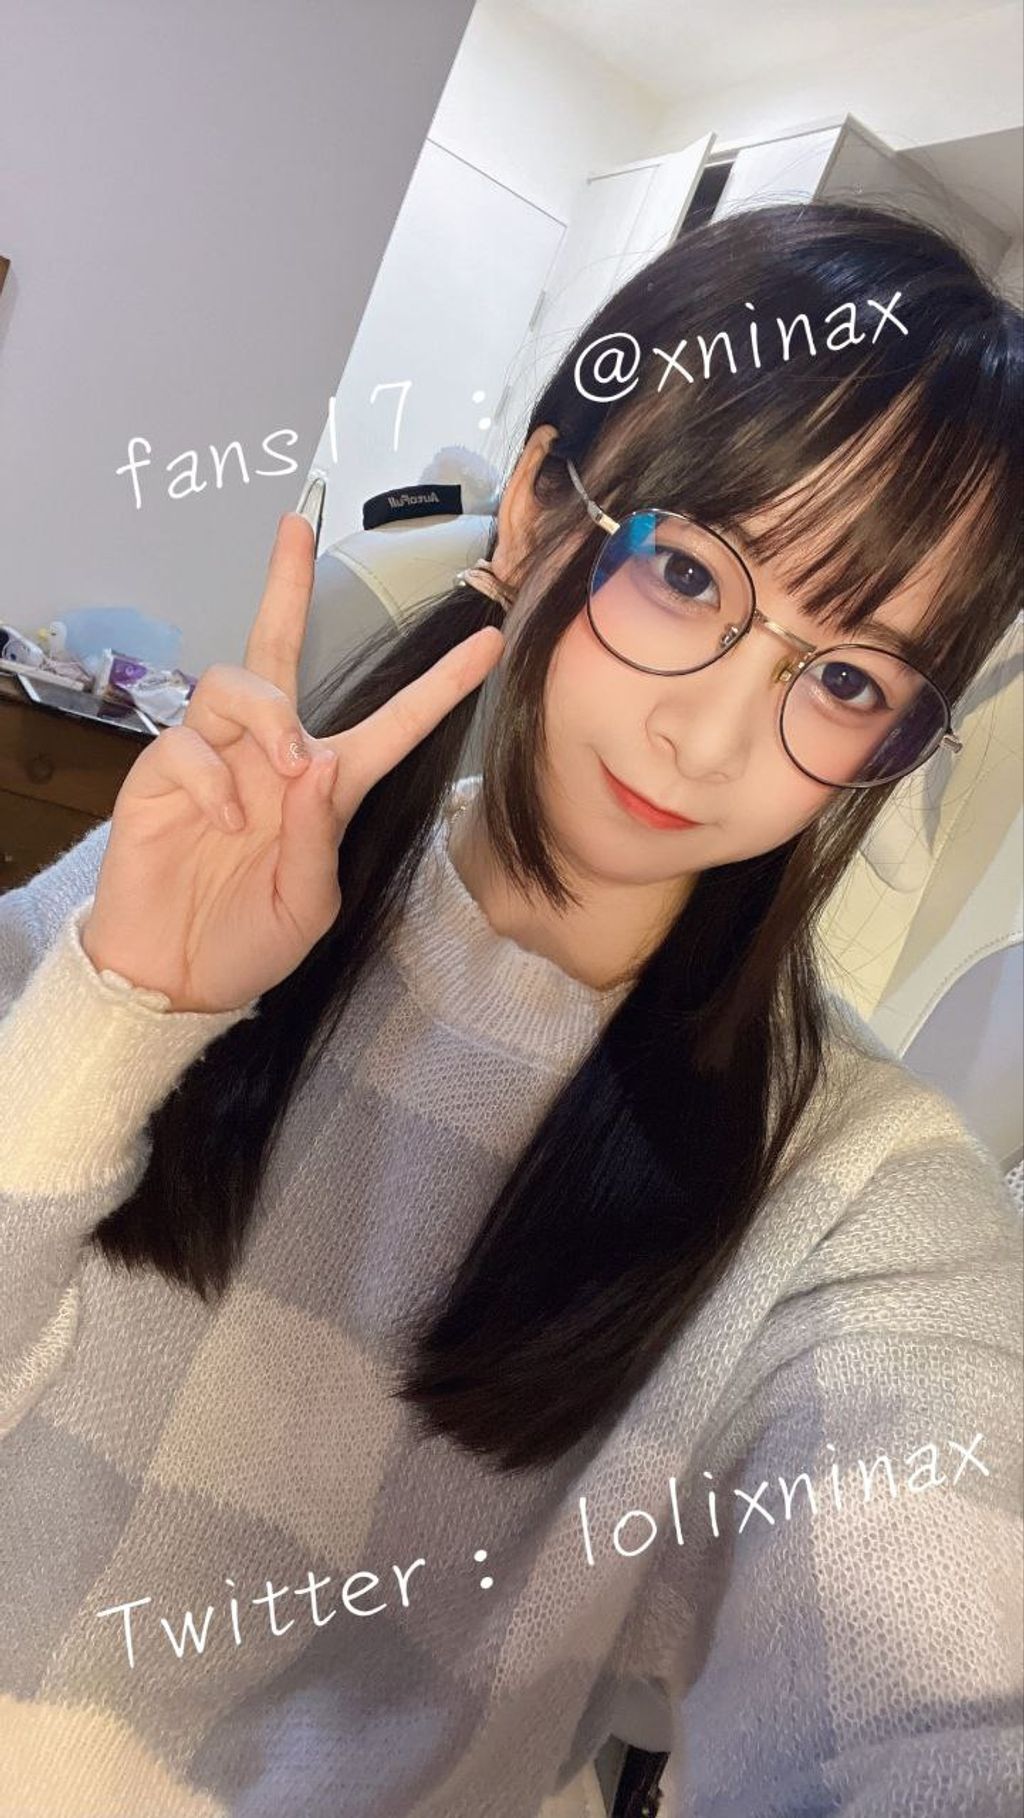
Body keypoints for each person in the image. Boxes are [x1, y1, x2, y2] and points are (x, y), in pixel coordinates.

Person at [0, 200, 1021, 1818]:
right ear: (542, 504)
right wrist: (119, 1017)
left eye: (846, 679)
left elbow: (933, 1697)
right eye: (685, 571)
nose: (707, 740)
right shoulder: (189, 885)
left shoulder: (849, 1197)